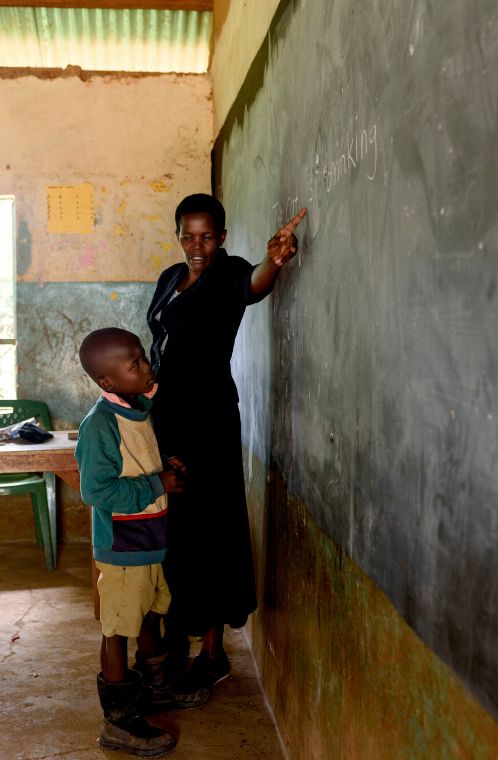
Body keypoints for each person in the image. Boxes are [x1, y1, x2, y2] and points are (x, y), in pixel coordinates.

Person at [146, 193, 307, 691]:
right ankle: (179, 640)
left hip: (209, 420)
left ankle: (212, 653)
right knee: (175, 531)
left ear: (223, 236)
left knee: (209, 529)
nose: (198, 246)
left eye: (208, 236)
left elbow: (254, 285)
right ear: (177, 234)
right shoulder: (169, 279)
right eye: (189, 235)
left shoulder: (229, 272)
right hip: (167, 416)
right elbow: (159, 343)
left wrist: (275, 260)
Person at [75, 327, 208, 757]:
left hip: (150, 542)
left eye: (143, 358)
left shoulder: (136, 409)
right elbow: (97, 492)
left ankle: (155, 688)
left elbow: (141, 457)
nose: (148, 367)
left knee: (151, 614)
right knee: (117, 630)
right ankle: (119, 720)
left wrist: (163, 466)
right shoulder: (99, 425)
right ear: (107, 382)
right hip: (124, 548)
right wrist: (158, 483)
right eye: (136, 365)